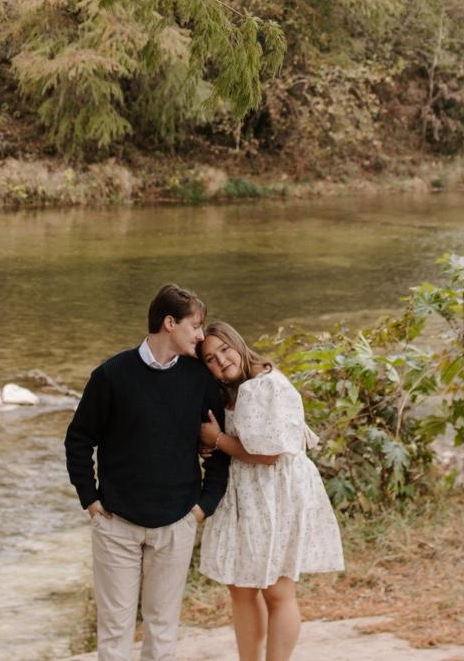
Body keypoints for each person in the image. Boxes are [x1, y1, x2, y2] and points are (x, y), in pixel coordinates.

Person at [65, 283, 230, 661]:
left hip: (176, 523)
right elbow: (79, 439)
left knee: (162, 628)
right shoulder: (111, 375)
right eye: (195, 326)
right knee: (114, 630)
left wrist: (202, 507)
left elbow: (217, 443)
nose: (201, 335)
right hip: (116, 524)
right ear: (170, 323)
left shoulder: (199, 379)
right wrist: (89, 499)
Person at [196, 321, 343, 661]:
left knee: (277, 589)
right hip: (246, 493)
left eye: (224, 350)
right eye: (210, 359)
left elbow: (268, 454)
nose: (221, 361)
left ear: (238, 344)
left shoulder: (265, 385)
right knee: (241, 586)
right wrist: (212, 444)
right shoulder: (233, 390)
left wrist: (217, 440)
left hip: (276, 493)